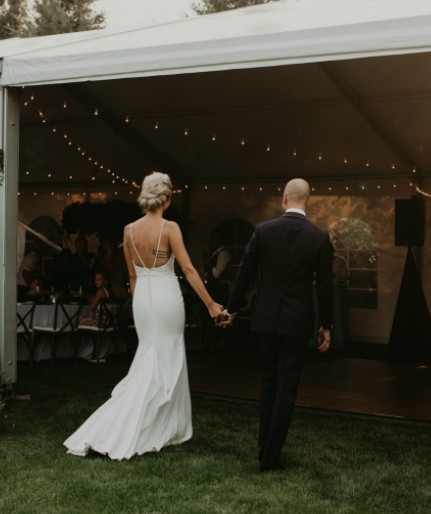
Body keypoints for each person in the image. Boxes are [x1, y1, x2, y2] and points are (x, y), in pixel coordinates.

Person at [64, 172, 224, 460]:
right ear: (167, 198)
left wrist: (140, 309)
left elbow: (132, 276)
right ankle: (160, 425)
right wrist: (211, 304)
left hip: (143, 302)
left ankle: (150, 421)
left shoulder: (128, 230)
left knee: (149, 355)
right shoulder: (170, 227)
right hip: (166, 298)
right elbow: (187, 270)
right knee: (169, 355)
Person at [220, 179, 335, 472]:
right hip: (297, 322)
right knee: (287, 387)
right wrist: (327, 325)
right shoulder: (319, 238)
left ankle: (264, 448)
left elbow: (244, 272)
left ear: (284, 198)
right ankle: (270, 457)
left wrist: (232, 309)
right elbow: (325, 286)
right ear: (309, 202)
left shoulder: (263, 230)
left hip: (265, 319)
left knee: (268, 381)